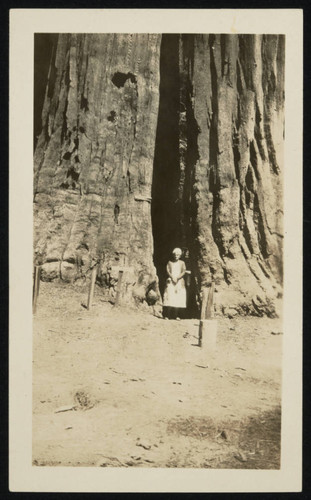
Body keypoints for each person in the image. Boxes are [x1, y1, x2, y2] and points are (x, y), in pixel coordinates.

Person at [163, 248, 187, 320]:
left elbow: (183, 271)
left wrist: (177, 278)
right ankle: (167, 315)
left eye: (178, 255)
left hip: (179, 281)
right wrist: (172, 277)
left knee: (178, 298)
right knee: (170, 297)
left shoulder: (182, 263)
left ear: (180, 255)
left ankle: (176, 315)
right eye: (175, 254)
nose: (176, 256)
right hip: (171, 281)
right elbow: (168, 271)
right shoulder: (170, 262)